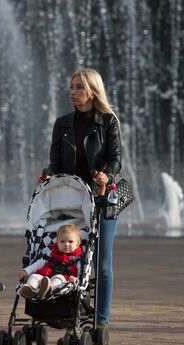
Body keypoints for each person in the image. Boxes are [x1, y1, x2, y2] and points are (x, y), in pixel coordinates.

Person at [39, 68, 121, 328]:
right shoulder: (62, 123)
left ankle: (101, 322)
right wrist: (47, 175)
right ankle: (67, 308)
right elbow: (55, 163)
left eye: (79, 87)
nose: (73, 92)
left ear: (92, 91)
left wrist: (105, 175)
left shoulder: (108, 122)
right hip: (71, 200)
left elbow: (115, 160)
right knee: (67, 256)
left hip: (101, 199)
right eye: (72, 86)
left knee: (102, 263)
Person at [18, 224, 82, 299]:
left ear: (77, 244)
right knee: (34, 276)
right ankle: (31, 289)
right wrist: (27, 271)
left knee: (58, 278)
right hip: (45, 275)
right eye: (62, 241)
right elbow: (39, 263)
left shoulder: (77, 259)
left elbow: (81, 272)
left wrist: (76, 279)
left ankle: (49, 289)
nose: (66, 244)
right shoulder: (51, 253)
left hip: (63, 278)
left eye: (70, 242)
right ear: (57, 243)